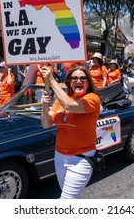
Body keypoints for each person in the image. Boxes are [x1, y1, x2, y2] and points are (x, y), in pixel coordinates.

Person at [40, 64, 101, 199]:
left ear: (88, 82)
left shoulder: (92, 98)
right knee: (73, 197)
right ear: (69, 82)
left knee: (67, 200)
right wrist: (44, 105)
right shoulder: (60, 99)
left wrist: (52, 80)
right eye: (74, 79)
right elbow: (46, 124)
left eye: (82, 78)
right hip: (60, 156)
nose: (78, 81)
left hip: (81, 158)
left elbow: (70, 106)